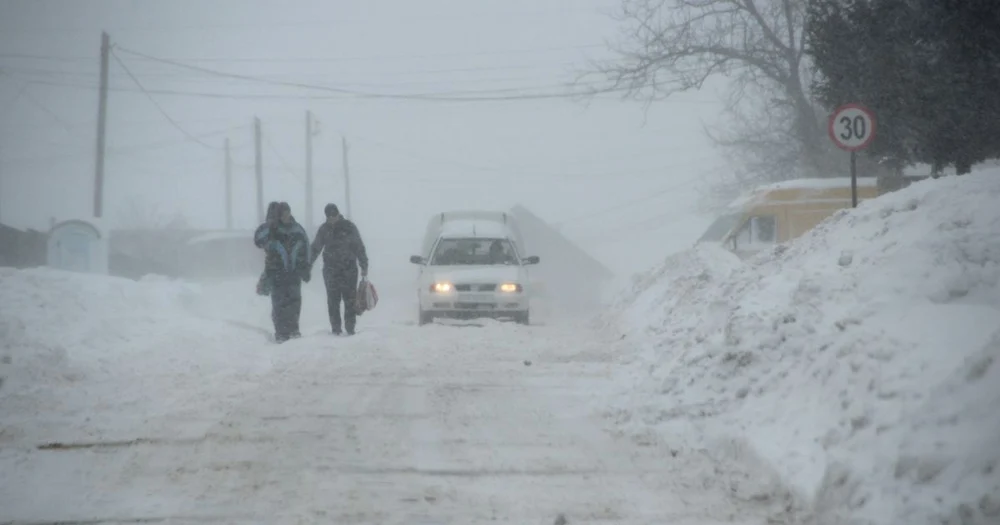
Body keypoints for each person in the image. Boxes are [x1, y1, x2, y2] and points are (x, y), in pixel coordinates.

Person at [254, 202, 311, 343]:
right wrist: (270, 226)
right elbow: (257, 240)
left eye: (287, 213)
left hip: (294, 273)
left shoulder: (297, 230)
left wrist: (305, 267)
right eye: (282, 214)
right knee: (279, 303)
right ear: (278, 215)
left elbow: (306, 248)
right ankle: (281, 332)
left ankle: (294, 329)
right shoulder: (272, 229)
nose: (286, 216)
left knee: (294, 302)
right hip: (276, 273)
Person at [310, 203, 369, 336]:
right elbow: (315, 248)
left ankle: (350, 327)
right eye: (329, 216)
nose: (332, 218)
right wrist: (306, 264)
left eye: (333, 215)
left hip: (349, 269)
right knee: (333, 301)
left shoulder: (349, 227)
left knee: (350, 300)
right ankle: (335, 329)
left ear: (338, 214)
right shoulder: (324, 230)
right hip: (331, 271)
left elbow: (359, 246)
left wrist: (364, 264)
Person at [256, 201, 281, 296]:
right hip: (275, 266)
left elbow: (258, 241)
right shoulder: (268, 229)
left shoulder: (280, 229)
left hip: (273, 266)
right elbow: (258, 241)